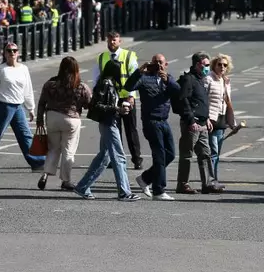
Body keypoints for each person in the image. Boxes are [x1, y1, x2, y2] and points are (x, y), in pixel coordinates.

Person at [73, 59, 140, 201]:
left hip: (109, 122)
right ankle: (124, 192)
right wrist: (117, 109)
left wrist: (121, 106)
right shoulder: (105, 84)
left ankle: (83, 186)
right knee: (119, 157)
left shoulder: (108, 84)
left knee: (104, 157)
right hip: (109, 123)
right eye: (119, 70)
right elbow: (96, 105)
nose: (120, 74)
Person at [0, 42, 45, 173]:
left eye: (14, 50)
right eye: (9, 51)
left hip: (18, 106)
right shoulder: (1, 69)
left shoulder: (24, 68)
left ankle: (38, 162)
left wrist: (30, 108)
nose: (12, 53)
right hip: (5, 106)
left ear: (18, 53)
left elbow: (28, 89)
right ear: (5, 54)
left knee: (25, 134)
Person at [127, 54, 180, 201]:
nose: (158, 65)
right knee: (159, 156)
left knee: (170, 154)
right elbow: (128, 86)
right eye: (155, 63)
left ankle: (145, 178)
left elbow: (179, 92)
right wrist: (139, 71)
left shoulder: (168, 78)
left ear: (166, 64)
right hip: (151, 122)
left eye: (161, 63)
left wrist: (167, 80)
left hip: (164, 121)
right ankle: (159, 190)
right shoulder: (145, 78)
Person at [36, 57, 92, 191]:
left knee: (53, 148)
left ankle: (45, 174)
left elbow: (42, 102)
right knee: (68, 150)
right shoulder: (80, 85)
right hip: (71, 119)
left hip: (52, 117)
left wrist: (39, 121)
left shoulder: (51, 83)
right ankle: (66, 180)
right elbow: (89, 103)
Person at [93, 32, 142, 170]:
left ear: (119, 41)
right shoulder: (102, 57)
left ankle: (137, 159)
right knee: (114, 131)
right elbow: (96, 78)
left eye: (114, 40)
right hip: (110, 99)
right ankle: (113, 158)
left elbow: (134, 75)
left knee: (131, 130)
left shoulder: (128, 55)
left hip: (126, 97)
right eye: (109, 40)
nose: (111, 43)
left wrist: (131, 95)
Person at [175, 52, 222, 194]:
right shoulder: (188, 79)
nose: (208, 68)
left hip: (202, 123)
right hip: (192, 124)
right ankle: (182, 184)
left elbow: (201, 102)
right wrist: (191, 120)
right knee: (187, 155)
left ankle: (208, 183)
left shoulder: (200, 79)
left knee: (205, 154)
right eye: (206, 65)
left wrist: (206, 118)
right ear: (197, 65)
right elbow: (183, 100)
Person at [207, 53, 236, 184]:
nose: (222, 67)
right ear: (214, 65)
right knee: (213, 152)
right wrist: (205, 118)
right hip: (211, 120)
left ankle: (214, 178)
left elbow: (228, 102)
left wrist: (232, 122)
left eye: (225, 65)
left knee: (217, 153)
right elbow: (203, 101)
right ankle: (212, 180)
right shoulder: (208, 79)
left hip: (221, 120)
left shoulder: (226, 81)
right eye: (219, 64)